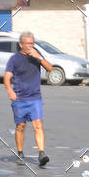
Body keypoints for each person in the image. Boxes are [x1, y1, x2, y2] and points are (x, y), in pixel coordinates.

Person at [4, 31, 53, 167]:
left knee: (38, 125)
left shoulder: (37, 56)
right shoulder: (14, 59)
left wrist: (39, 58)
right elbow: (7, 77)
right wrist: (9, 90)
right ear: (21, 45)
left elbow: (50, 69)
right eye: (28, 44)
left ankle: (41, 153)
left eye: (32, 43)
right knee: (20, 126)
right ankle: (20, 153)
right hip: (19, 98)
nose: (31, 46)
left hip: (35, 97)